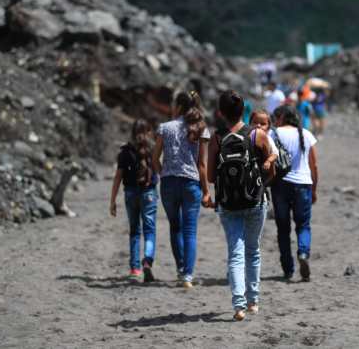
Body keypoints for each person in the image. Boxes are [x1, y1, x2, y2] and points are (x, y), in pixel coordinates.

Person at [208, 90, 274, 321]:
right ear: (244, 110)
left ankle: (238, 306)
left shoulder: (216, 138)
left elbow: (210, 175)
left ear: (220, 113)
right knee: (253, 250)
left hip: (227, 203)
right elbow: (270, 172)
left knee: (235, 253)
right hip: (255, 200)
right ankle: (253, 301)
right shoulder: (257, 135)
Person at [152, 91, 212, 289]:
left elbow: (154, 159)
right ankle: (187, 275)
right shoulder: (200, 128)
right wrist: (206, 191)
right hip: (191, 183)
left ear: (177, 106)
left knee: (174, 227)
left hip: (169, 182)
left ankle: (180, 269)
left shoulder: (165, 127)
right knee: (190, 231)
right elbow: (202, 165)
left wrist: (163, 174)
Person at [270, 105, 318, 282]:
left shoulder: (274, 134)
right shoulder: (305, 133)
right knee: (303, 225)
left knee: (283, 229)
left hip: (281, 184)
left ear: (281, 117)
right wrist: (314, 189)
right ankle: (303, 252)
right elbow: (314, 165)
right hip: (303, 183)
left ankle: (288, 269)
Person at [110, 119, 159, 283]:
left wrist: (112, 200)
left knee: (134, 231)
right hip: (149, 194)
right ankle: (147, 261)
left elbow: (118, 177)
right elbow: (159, 170)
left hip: (130, 193)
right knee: (150, 231)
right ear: (149, 132)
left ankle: (134, 269)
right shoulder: (153, 149)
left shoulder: (125, 152)